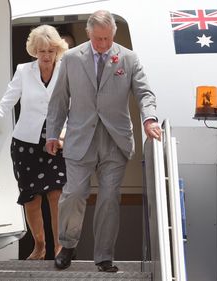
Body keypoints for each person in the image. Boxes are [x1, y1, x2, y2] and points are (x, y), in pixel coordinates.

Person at [45, 10, 162, 272]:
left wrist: (149, 119)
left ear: (113, 34)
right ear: (88, 34)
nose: (103, 44)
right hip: (79, 138)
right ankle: (68, 245)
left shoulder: (128, 58)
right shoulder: (72, 59)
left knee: (109, 198)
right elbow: (59, 100)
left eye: (108, 39)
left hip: (114, 139)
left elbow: (144, 92)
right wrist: (52, 133)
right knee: (73, 193)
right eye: (98, 39)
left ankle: (104, 256)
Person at [0, 25, 68, 260]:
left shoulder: (66, 70)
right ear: (35, 51)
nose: (46, 56)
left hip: (56, 141)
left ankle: (59, 247)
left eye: (50, 51)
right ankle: (39, 246)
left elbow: (71, 106)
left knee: (56, 194)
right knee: (31, 198)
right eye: (42, 51)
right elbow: (8, 101)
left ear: (57, 50)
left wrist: (65, 134)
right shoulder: (24, 71)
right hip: (26, 143)